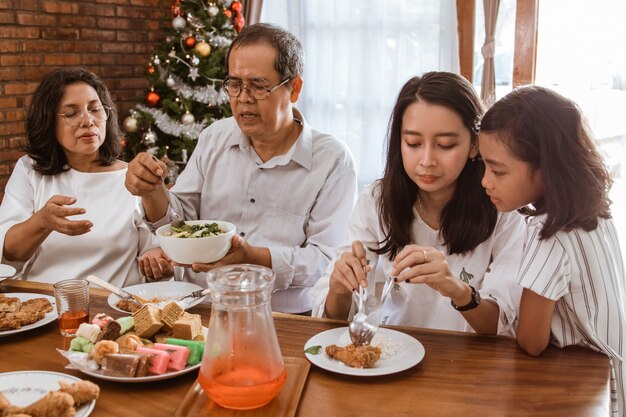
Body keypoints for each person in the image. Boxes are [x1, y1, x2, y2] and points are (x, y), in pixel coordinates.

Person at [124, 23, 357, 314]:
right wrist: (153, 191)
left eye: (258, 86)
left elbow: (326, 261)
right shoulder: (214, 137)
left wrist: (253, 257)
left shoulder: (332, 160)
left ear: (293, 88)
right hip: (202, 304)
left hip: (282, 315)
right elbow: (178, 221)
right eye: (234, 84)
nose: (243, 98)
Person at [312, 72, 524, 335]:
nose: (426, 160)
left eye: (445, 145)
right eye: (412, 143)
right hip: (394, 353)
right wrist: (339, 288)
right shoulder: (377, 201)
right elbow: (332, 318)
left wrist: (456, 289)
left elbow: (504, 326)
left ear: (474, 145)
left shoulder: (501, 208)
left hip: (472, 364)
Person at [478, 85, 626, 414]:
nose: (486, 181)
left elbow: (532, 342)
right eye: (484, 168)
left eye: (498, 171)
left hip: (585, 389)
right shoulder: (596, 215)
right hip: (611, 374)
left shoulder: (550, 237)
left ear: (546, 167)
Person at [0, 67, 172, 286]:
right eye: (71, 113)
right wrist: (41, 222)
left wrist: (157, 259)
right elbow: (9, 253)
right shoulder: (30, 170)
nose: (87, 121)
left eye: (95, 109)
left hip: (112, 309)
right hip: (44, 304)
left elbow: (155, 250)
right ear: (47, 122)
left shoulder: (133, 177)